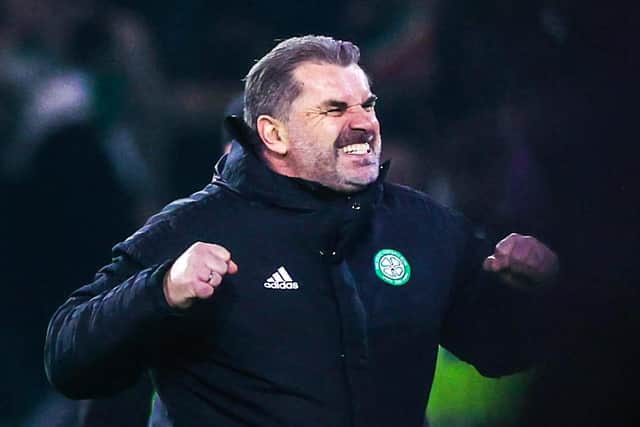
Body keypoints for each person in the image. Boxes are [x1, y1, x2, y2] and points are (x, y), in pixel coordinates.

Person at [45, 35, 558, 427]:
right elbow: (68, 358)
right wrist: (161, 290)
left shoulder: (423, 225)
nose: (363, 124)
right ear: (274, 133)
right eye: (335, 109)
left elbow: (501, 350)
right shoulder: (195, 227)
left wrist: (534, 294)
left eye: (368, 104)